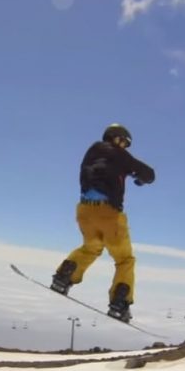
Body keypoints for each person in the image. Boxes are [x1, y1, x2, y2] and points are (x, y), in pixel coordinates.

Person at [51, 123, 155, 323]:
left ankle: (63, 278)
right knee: (124, 260)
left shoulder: (91, 152)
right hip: (108, 213)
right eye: (124, 142)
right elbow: (149, 174)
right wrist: (140, 178)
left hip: (84, 210)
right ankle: (119, 304)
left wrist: (128, 172)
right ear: (116, 138)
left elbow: (107, 168)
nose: (124, 146)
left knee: (91, 247)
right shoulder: (120, 154)